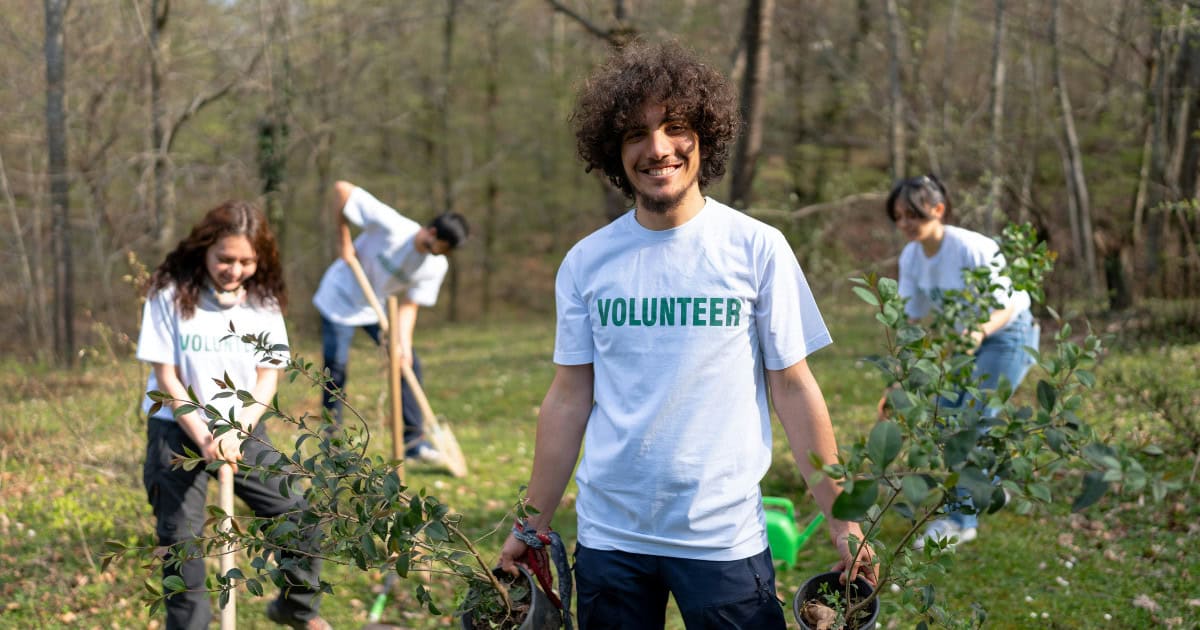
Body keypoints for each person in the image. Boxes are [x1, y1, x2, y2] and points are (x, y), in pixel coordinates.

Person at [497, 40, 875, 628]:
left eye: (675, 127)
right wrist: (532, 523)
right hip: (610, 537)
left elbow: (795, 390)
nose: (658, 149)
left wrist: (842, 522)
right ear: (612, 150)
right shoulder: (586, 262)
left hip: (722, 538)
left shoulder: (756, 249)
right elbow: (568, 398)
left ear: (706, 135)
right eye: (635, 134)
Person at [137, 201, 329, 630]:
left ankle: (295, 609)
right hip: (176, 429)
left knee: (301, 518)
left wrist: (234, 431)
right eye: (225, 258)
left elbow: (268, 379)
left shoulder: (263, 302)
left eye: (246, 260)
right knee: (180, 545)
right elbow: (165, 376)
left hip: (241, 429)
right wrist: (203, 433)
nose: (234, 269)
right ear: (205, 250)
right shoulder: (169, 293)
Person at [883, 174, 1040, 550]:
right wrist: (900, 379)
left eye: (913, 215)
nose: (905, 224)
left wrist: (978, 331)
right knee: (949, 416)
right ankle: (992, 489)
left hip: (1008, 335)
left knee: (971, 422)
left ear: (938, 210)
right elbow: (911, 320)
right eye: (899, 217)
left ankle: (959, 522)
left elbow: (1008, 303)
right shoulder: (912, 256)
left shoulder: (973, 247)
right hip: (963, 343)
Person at [311, 180, 468, 461]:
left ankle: (413, 443)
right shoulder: (393, 226)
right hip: (339, 296)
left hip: (375, 308)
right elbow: (341, 189)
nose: (442, 254)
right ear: (432, 232)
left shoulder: (435, 266)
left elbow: (410, 304)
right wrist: (343, 240)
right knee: (335, 368)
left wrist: (402, 344)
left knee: (408, 365)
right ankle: (331, 443)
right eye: (442, 246)